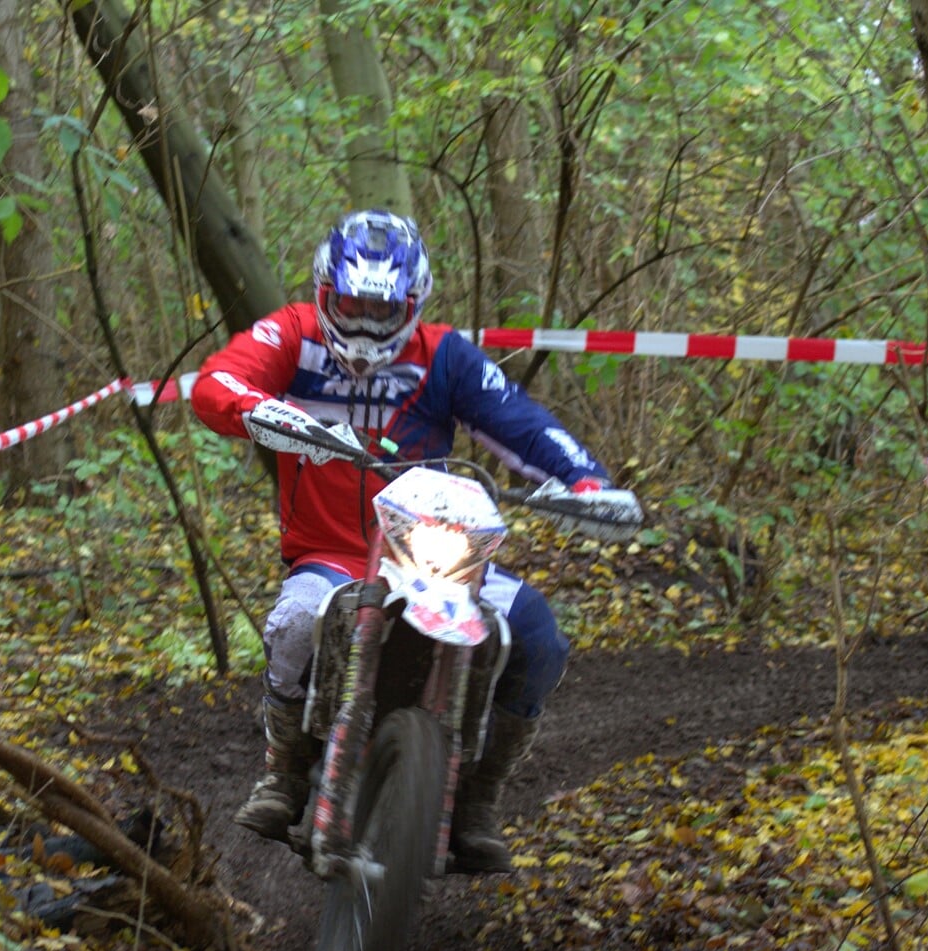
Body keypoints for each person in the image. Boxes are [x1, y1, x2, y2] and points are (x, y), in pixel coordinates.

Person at [190, 210, 640, 873]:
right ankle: (284, 773)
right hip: (333, 555)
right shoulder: (291, 334)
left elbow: (519, 420)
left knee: (538, 636)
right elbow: (216, 383)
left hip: (437, 552)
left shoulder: (445, 355)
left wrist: (587, 482)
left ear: (413, 300)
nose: (367, 322)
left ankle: (479, 794)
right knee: (291, 626)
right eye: (352, 303)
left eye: (384, 307)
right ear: (325, 291)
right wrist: (268, 411)